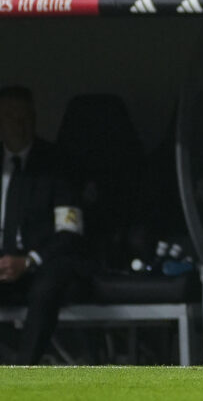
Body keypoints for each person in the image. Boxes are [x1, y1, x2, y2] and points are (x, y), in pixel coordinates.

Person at [0, 86, 87, 365]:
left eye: (26, 116)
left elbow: (69, 231)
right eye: (11, 116)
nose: (20, 124)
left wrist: (28, 261)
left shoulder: (56, 163)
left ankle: (23, 374)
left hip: (41, 263)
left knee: (47, 287)